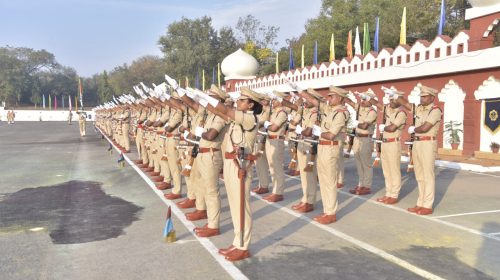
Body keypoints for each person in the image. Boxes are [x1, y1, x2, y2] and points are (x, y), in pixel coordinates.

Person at [198, 86, 263, 261]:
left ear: (250, 105)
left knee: (242, 207)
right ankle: (237, 241)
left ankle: (243, 246)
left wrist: (207, 98)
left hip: (240, 165)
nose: (238, 102)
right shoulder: (240, 118)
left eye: (242, 100)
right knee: (235, 206)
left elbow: (224, 109)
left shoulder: (250, 118)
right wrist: (200, 98)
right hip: (230, 163)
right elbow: (217, 111)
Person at [400, 84, 442, 215]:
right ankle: (420, 202)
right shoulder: (419, 109)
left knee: (427, 175)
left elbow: (425, 128)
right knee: (419, 175)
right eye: (421, 96)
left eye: (424, 97)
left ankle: (427, 205)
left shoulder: (435, 111)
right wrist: (396, 96)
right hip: (417, 143)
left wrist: (414, 129)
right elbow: (406, 105)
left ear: (431, 97)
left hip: (428, 143)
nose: (421, 99)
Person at [310, 86, 349, 224]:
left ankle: (331, 213)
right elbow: (316, 102)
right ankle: (327, 210)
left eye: (331, 96)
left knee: (330, 181)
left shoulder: (340, 113)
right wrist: (302, 91)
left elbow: (331, 135)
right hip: (323, 148)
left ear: (340, 98)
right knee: (324, 180)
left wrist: (318, 132)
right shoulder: (331, 110)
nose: (329, 98)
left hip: (330, 148)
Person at [373, 87, 407, 205]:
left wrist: (384, 128)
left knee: (394, 170)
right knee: (386, 170)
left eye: (393, 100)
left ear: (399, 100)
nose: (390, 102)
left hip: (393, 143)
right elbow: (376, 104)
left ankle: (394, 194)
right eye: (390, 99)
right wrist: (370, 97)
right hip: (385, 143)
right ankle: (388, 193)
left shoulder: (401, 113)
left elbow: (392, 128)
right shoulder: (389, 110)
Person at [344, 91, 378, 195]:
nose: (362, 101)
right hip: (357, 139)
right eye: (362, 99)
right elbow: (350, 102)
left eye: (364, 99)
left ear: (370, 100)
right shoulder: (360, 108)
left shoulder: (372, 112)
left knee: (366, 164)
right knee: (359, 164)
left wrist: (356, 124)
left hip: (366, 139)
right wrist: (343, 95)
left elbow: (364, 126)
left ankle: (366, 186)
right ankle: (360, 184)